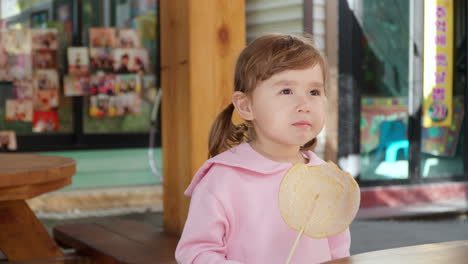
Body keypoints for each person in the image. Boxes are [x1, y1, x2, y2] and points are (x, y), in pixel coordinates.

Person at [175, 33, 351, 264]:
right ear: (246, 106)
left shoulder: (327, 181)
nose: (304, 105)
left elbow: (339, 253)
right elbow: (196, 252)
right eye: (286, 91)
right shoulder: (223, 179)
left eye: (314, 92)